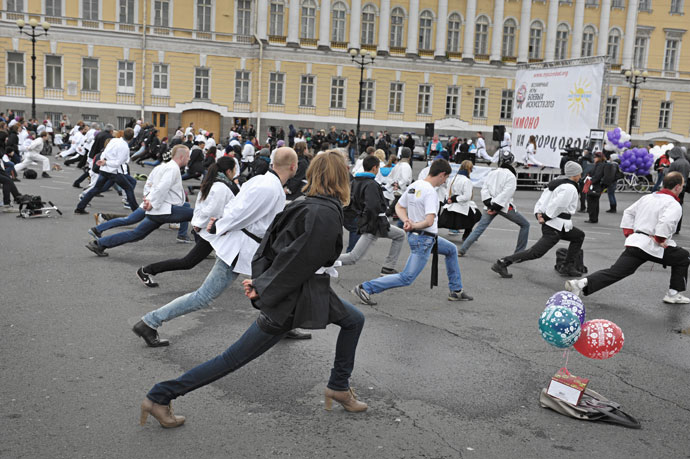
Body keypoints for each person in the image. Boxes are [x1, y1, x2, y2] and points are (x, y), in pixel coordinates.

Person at [139, 151, 367, 428]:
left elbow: (276, 247)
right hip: (293, 297)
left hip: (306, 290)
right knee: (232, 359)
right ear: (341, 177)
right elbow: (295, 260)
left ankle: (339, 386)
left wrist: (263, 279)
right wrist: (263, 286)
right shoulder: (322, 212)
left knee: (354, 320)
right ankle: (160, 395)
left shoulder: (307, 204)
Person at [131, 147, 305, 346]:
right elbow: (239, 212)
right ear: (293, 166)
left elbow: (237, 208)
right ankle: (150, 322)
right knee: (203, 297)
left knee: (277, 286)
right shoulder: (268, 187)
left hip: (252, 248)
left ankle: (283, 324)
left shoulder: (264, 182)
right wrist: (219, 226)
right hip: (240, 249)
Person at [351, 159, 473, 306]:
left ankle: (456, 289)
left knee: (451, 249)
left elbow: (399, 207)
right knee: (406, 277)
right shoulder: (430, 193)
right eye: (446, 178)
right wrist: (413, 225)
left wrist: (407, 221)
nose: (445, 181)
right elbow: (429, 221)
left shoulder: (415, 185)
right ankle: (366, 288)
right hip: (424, 239)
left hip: (423, 237)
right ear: (441, 174)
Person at [566, 172, 690, 305]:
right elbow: (666, 222)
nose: (682, 188)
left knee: (616, 271)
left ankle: (581, 283)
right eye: (682, 185)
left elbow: (628, 212)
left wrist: (629, 232)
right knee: (683, 257)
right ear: (677, 187)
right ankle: (673, 293)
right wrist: (660, 239)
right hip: (653, 245)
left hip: (636, 242)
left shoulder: (647, 197)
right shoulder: (673, 204)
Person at [136, 157, 239, 287]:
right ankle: (148, 270)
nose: (236, 172)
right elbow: (212, 211)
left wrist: (197, 224)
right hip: (213, 233)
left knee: (234, 258)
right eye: (235, 169)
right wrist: (199, 225)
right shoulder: (221, 188)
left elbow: (200, 206)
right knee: (187, 262)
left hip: (213, 231)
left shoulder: (212, 183)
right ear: (229, 171)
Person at [85, 145, 192, 255]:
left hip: (158, 209)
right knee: (197, 214)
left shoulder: (164, 167)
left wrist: (148, 198)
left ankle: (99, 244)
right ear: (182, 157)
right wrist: (151, 202)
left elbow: (150, 184)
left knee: (136, 234)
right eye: (188, 156)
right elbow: (161, 187)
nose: (189, 159)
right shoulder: (172, 168)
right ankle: (198, 246)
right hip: (163, 209)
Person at [491, 161, 585, 279]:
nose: (581, 177)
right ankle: (503, 262)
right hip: (555, 225)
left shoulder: (556, 184)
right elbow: (558, 205)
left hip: (559, 224)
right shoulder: (569, 187)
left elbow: (542, 200)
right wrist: (545, 217)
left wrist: (539, 214)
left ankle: (568, 266)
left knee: (578, 236)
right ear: (574, 174)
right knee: (535, 253)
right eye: (579, 174)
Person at [338, 156, 406, 275]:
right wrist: (368, 223)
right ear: (375, 168)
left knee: (400, 235)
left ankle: (388, 267)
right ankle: (321, 263)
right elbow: (372, 207)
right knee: (353, 257)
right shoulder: (371, 184)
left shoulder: (354, 182)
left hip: (371, 222)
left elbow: (350, 203)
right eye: (378, 167)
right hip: (373, 224)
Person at [458, 151, 530, 257]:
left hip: (490, 204)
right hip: (503, 206)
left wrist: (489, 204)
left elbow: (485, 189)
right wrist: (495, 206)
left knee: (479, 228)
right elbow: (507, 193)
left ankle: (462, 250)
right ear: (511, 161)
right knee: (525, 225)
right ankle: (519, 254)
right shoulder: (511, 176)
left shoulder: (492, 172)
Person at [75, 128, 138, 214]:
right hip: (114, 172)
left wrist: (103, 161)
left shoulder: (113, 140)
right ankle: (136, 211)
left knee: (97, 188)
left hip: (104, 169)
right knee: (129, 187)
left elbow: (105, 152)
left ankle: (80, 207)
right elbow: (117, 163)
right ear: (132, 138)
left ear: (123, 134)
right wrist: (106, 162)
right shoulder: (124, 147)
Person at [439, 160, 481, 241]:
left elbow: (447, 193)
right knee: (477, 215)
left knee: (440, 223)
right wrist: (455, 199)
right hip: (461, 206)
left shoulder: (452, 179)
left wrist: (450, 199)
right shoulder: (466, 181)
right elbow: (467, 197)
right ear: (470, 169)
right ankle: (467, 235)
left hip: (450, 205)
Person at [666, 147, 689, 234]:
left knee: (671, 208)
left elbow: (669, 175)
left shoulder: (675, 164)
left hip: (673, 188)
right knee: (679, 207)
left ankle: (672, 226)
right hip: (682, 187)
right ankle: (677, 227)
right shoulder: (686, 163)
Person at [584, 151, 607, 223]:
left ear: (599, 158)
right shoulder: (601, 164)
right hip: (597, 186)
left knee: (592, 202)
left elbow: (597, 176)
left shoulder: (599, 165)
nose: (594, 158)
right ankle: (594, 218)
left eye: (595, 157)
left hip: (595, 186)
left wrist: (591, 181)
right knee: (595, 202)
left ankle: (592, 218)